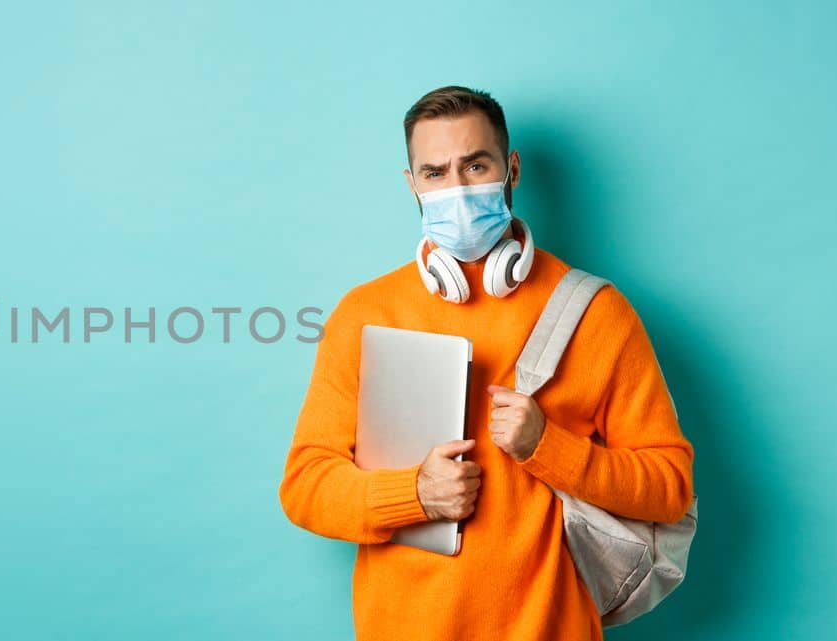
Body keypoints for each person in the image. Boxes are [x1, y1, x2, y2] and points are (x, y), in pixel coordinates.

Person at [277, 86, 695, 640]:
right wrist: (415, 495)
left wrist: (548, 446)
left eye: (475, 165)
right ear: (413, 186)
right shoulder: (365, 313)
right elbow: (306, 486)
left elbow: (669, 487)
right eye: (435, 173)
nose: (457, 189)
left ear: (511, 169)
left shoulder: (597, 312)